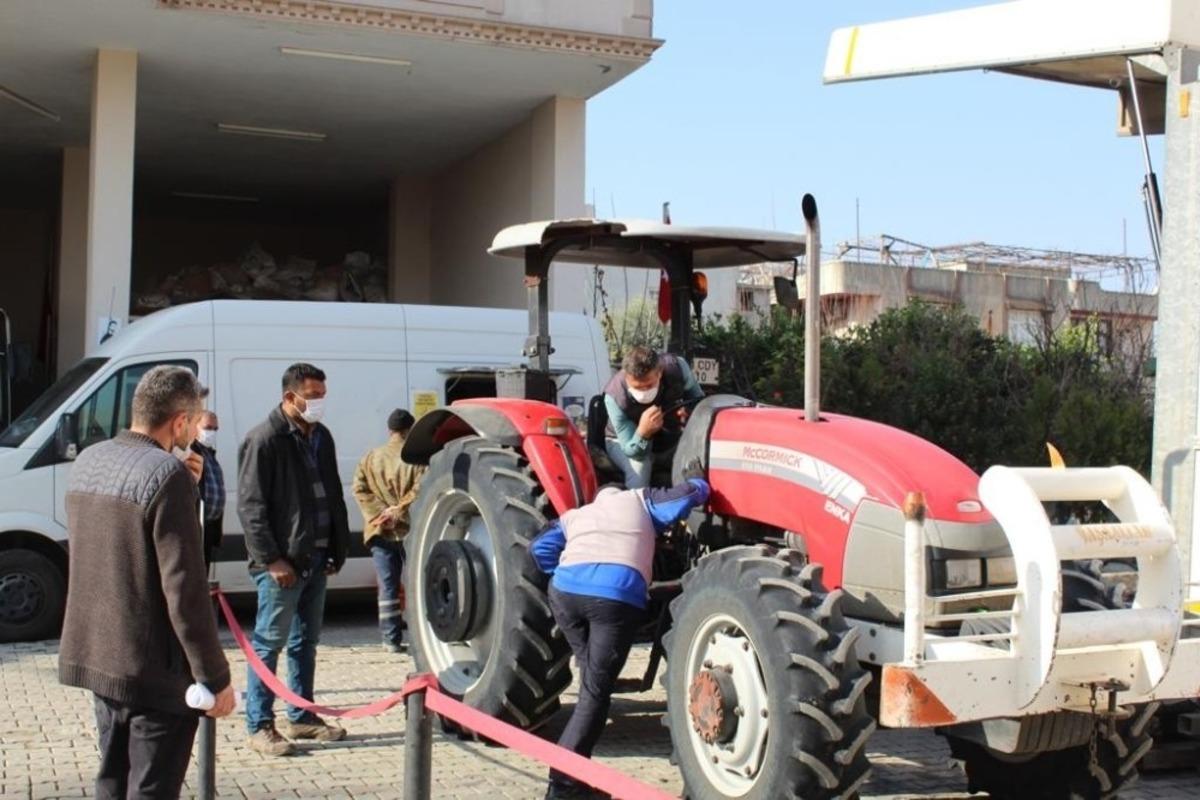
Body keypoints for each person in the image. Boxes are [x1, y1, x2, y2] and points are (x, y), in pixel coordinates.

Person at [58, 365, 235, 800]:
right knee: (151, 790)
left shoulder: (89, 460)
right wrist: (215, 676)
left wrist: (186, 490)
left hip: (101, 658)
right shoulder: (166, 476)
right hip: (155, 670)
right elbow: (184, 591)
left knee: (112, 784)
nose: (197, 432)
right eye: (195, 422)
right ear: (178, 421)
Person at [530, 476, 710, 799]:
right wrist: (701, 484)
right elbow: (682, 499)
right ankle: (563, 786)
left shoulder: (578, 514)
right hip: (613, 598)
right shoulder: (639, 500)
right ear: (620, 492)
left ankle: (576, 779)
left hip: (565, 594)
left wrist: (564, 572)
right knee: (595, 694)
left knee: (592, 684)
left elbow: (539, 547)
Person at [238, 362, 350, 756]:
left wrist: (336, 548)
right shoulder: (264, 439)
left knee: (306, 643)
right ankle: (259, 724)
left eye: (322, 396)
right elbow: (251, 507)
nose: (320, 404)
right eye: (313, 397)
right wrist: (271, 559)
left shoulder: (322, 437)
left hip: (316, 558)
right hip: (281, 566)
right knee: (269, 643)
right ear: (290, 397)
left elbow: (332, 495)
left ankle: (301, 716)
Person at [352, 408, 425, 653]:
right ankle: (418, 638)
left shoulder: (371, 457)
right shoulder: (417, 458)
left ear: (390, 430)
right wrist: (398, 511)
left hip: (379, 532)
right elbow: (420, 489)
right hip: (409, 531)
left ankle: (390, 638)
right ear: (410, 430)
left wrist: (379, 514)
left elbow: (359, 489)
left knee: (388, 587)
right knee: (416, 584)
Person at [603, 346, 704, 489]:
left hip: (667, 435)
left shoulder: (678, 368)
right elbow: (633, 452)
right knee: (640, 465)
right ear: (626, 377)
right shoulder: (615, 397)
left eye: (649, 385)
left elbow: (699, 401)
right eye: (637, 387)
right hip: (623, 440)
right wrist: (643, 434)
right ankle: (635, 506)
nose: (644, 392)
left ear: (660, 373)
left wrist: (689, 412)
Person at [195, 410, 225, 567]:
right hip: (194, 529)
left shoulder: (210, 454)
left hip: (208, 528)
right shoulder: (190, 452)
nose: (211, 432)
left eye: (215, 429)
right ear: (195, 426)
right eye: (207, 427)